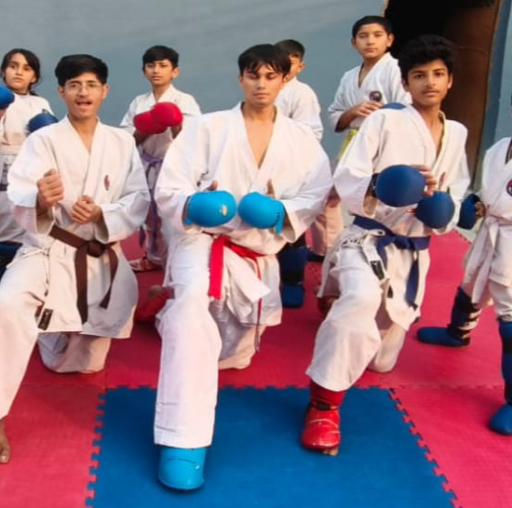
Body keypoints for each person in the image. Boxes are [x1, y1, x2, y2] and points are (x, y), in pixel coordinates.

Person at [153, 44, 332, 490]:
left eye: (271, 76)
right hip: (203, 241)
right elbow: (170, 186)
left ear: (285, 80)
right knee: (191, 316)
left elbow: (314, 194)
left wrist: (279, 213)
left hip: (254, 256)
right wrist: (194, 204)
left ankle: (162, 310)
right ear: (240, 79)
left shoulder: (301, 141)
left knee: (232, 355)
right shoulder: (207, 127)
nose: (261, 84)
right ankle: (183, 440)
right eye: (253, 75)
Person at [0, 54, 149, 466]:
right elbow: (20, 192)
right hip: (47, 247)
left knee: (80, 366)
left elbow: (139, 197)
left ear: (105, 91)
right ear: (61, 92)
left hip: (98, 253)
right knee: (4, 308)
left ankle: (49, 336)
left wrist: (102, 213)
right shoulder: (42, 140)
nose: (83, 92)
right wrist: (41, 200)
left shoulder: (121, 142)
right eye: (74, 85)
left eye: (91, 84)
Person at [304, 34, 471, 456]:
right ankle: (323, 406)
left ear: (450, 80)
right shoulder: (384, 121)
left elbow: (458, 187)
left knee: (380, 362)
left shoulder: (457, 133)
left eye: (438, 74)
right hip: (369, 237)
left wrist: (443, 210)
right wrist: (380, 184)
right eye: (419, 75)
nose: (429, 83)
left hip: (412, 252)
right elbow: (348, 174)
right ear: (406, 82)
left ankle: (334, 295)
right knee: (360, 302)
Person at [417, 79, 512, 436]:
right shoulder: (498, 149)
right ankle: (457, 333)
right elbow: (487, 192)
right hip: (490, 231)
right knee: (470, 285)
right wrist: (475, 205)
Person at [312, 16, 413, 263]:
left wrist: (382, 115)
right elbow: (335, 117)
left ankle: (375, 257)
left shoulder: (396, 70)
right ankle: (328, 250)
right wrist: (353, 111)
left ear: (390, 40)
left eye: (377, 35)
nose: (370, 41)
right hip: (353, 143)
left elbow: (408, 111)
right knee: (326, 196)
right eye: (363, 36)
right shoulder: (349, 76)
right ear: (353, 43)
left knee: (376, 205)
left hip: (384, 147)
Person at [0, 48, 55, 291]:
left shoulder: (41, 103)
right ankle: (0, 290)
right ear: (4, 71)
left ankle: (35, 285)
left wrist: (47, 131)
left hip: (35, 166)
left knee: (37, 224)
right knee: (7, 227)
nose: (19, 72)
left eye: (26, 68)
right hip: (5, 166)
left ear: (34, 77)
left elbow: (52, 139)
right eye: (13, 66)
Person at [120, 45, 201, 274]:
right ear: (144, 71)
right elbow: (128, 138)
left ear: (175, 71)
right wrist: (147, 127)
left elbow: (193, 137)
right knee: (149, 215)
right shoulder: (139, 102)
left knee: (170, 218)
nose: (156, 70)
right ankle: (154, 257)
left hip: (174, 166)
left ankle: (175, 264)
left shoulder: (185, 101)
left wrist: (174, 122)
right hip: (146, 165)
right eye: (151, 66)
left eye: (163, 66)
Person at [273, 38, 325, 308]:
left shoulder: (302, 93)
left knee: (290, 223)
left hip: (290, 165)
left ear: (300, 66)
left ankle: (293, 280)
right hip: (262, 164)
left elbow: (311, 132)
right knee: (262, 220)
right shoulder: (268, 86)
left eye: (290, 61)